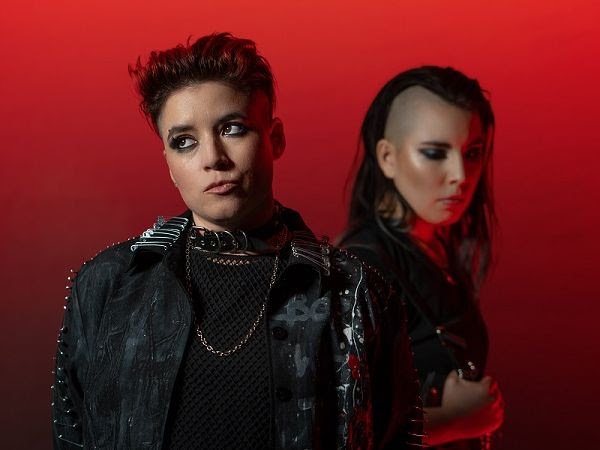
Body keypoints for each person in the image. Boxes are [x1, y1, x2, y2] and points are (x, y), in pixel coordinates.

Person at [50, 33, 422, 449]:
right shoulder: (107, 285)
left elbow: (400, 437)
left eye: (232, 129)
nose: (213, 158)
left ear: (275, 139)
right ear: (169, 163)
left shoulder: (354, 292)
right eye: (184, 142)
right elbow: (72, 434)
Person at [339, 66, 505, 449]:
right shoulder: (363, 271)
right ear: (387, 157)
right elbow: (339, 430)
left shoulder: (437, 248)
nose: (460, 174)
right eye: (434, 153)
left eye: (473, 153)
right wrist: (455, 421)